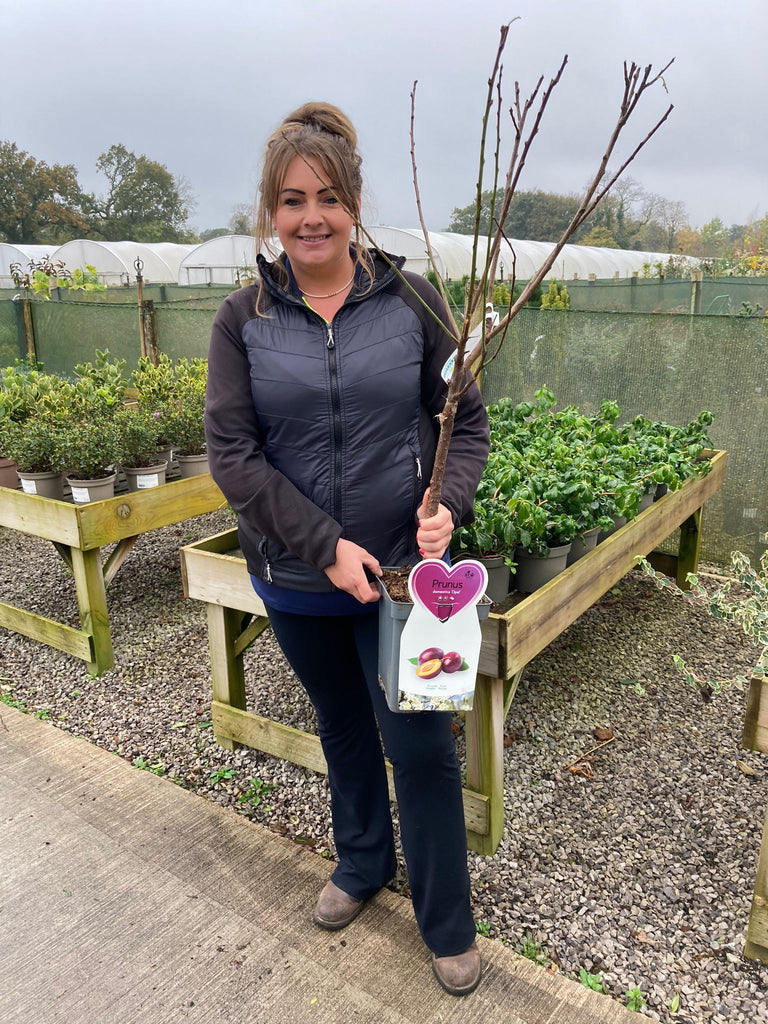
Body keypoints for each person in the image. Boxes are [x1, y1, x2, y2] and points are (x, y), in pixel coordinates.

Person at [205, 102, 490, 996]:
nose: (311, 216)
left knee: (422, 745)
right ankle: (363, 864)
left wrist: (444, 502)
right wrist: (322, 545)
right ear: (269, 212)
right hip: (296, 575)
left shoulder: (414, 301)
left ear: (355, 203)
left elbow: (465, 422)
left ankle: (446, 921)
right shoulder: (240, 317)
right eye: (292, 200)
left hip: (407, 581)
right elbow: (232, 455)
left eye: (328, 197)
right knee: (342, 727)